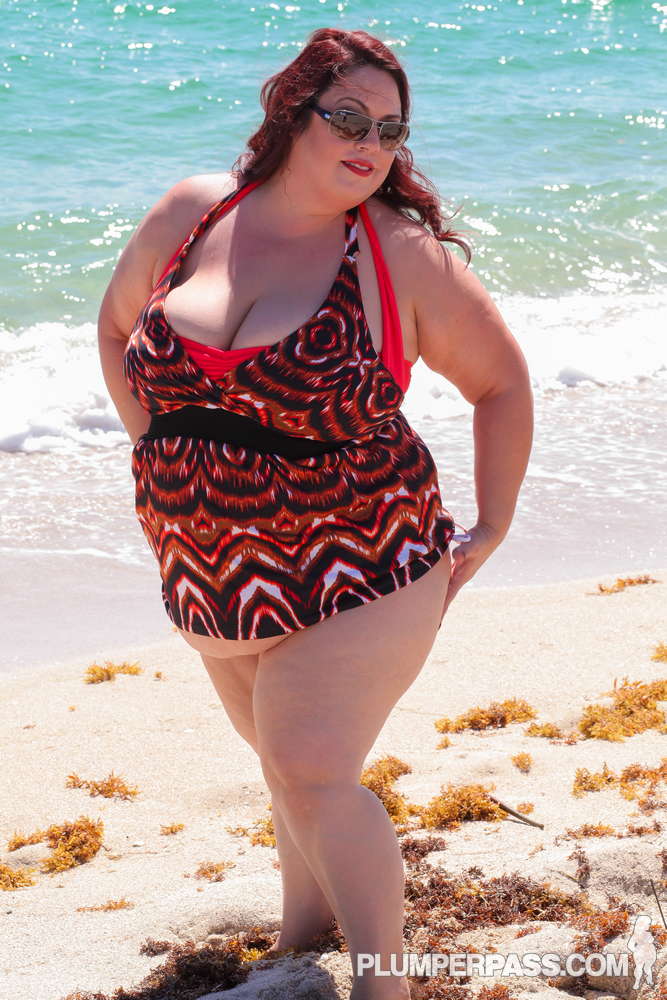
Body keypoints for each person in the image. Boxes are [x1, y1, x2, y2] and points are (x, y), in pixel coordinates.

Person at [97, 26, 533, 1000]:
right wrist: (155, 450)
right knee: (281, 763)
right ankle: (302, 936)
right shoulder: (192, 213)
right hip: (207, 561)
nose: (371, 143)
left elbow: (501, 384)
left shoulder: (396, 254)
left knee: (308, 761)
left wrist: (492, 524)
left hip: (367, 554)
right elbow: (116, 327)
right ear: (292, 112)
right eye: (348, 117)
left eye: (390, 129)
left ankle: (384, 984)